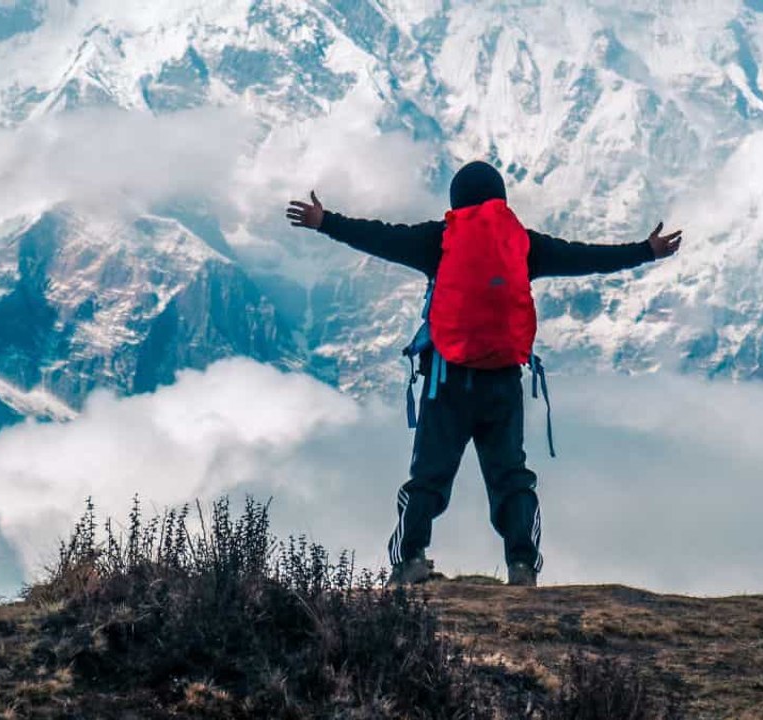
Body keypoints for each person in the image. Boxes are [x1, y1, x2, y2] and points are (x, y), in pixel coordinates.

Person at [286, 161, 682, 587]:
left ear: (455, 200)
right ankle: (522, 566)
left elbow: (380, 236)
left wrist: (325, 222)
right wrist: (645, 251)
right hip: (502, 382)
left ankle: (409, 562)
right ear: (501, 199)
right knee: (511, 478)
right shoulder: (523, 245)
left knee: (428, 477)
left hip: (446, 381)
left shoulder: (437, 240)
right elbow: (585, 256)